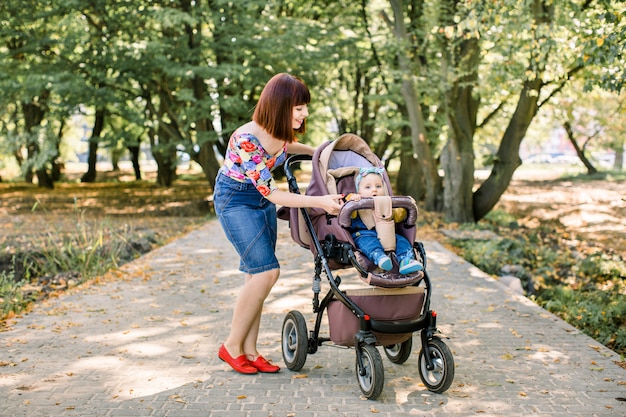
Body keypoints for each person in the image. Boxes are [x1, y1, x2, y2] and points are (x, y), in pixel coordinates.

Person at [213, 73, 344, 374]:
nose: (304, 113)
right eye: (299, 108)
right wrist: (321, 202)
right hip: (235, 201)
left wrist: (319, 154)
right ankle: (231, 346)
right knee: (266, 271)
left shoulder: (281, 131)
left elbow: (290, 149)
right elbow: (272, 193)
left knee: (255, 276)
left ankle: (250, 350)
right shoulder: (247, 139)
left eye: (305, 107)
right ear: (280, 105)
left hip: (258, 201)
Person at [345, 167, 423, 275]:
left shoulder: (387, 203)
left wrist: (403, 207)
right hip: (363, 233)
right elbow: (349, 213)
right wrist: (352, 198)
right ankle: (379, 257)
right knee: (367, 242)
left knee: (401, 240)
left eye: (378, 186)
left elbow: (398, 216)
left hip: (388, 234)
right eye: (368, 187)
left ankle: (405, 260)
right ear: (359, 190)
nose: (374, 190)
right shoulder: (357, 201)